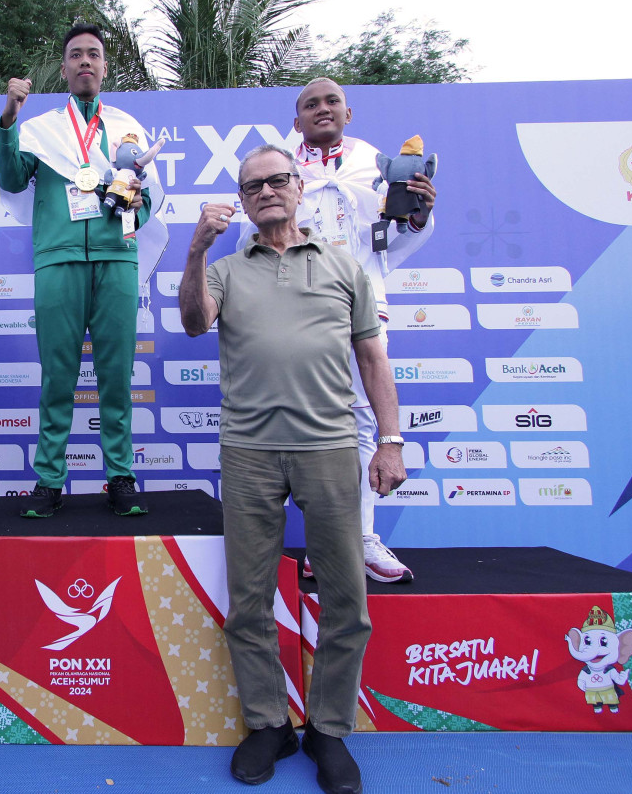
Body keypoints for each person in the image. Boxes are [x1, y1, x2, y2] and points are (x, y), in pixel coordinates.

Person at [181, 145, 407, 792]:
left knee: (346, 599)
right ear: (244, 201)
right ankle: (267, 723)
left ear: (299, 185)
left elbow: (374, 359)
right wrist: (196, 248)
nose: (267, 191)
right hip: (248, 450)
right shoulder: (225, 269)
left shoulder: (344, 266)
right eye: (253, 186)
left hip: (332, 446)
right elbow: (195, 322)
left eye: (278, 179)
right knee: (248, 601)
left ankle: (328, 730)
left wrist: (389, 439)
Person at [237, 77, 437, 583]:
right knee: (311, 423)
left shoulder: (375, 163)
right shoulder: (276, 169)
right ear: (296, 117)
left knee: (366, 421)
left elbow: (388, 240)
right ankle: (326, 540)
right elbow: (252, 236)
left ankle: (362, 537)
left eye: (331, 102)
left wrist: (417, 215)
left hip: (363, 302)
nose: (322, 109)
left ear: (349, 112)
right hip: (299, 313)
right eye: (310, 104)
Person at [0, 22, 163, 518]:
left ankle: (120, 475)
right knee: (58, 377)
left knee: (116, 377)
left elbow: (149, 199)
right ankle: (49, 479)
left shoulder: (129, 127)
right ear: (64, 67)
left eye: (94, 54)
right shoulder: (40, 129)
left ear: (105, 66)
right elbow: (11, 177)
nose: (85, 62)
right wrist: (8, 117)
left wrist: (127, 203)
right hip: (58, 260)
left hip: (116, 260)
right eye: (76, 55)